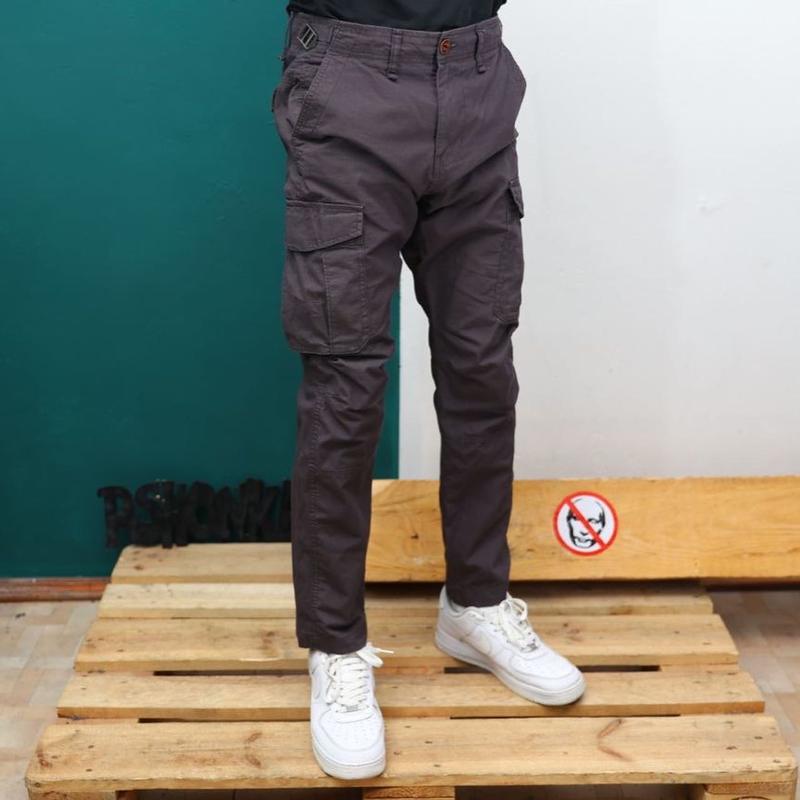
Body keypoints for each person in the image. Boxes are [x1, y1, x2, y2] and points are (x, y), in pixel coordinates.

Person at [270, 0, 587, 780]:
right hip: (349, 79)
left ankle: (476, 604)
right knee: (346, 384)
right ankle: (336, 646)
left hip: (477, 78)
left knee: (482, 369)